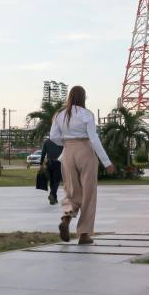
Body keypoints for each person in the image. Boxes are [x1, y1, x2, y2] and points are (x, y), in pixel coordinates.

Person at [50, 86, 115, 244]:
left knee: (72, 191)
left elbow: (53, 137)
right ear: (84, 97)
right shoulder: (87, 114)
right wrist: (107, 162)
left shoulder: (59, 115)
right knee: (88, 195)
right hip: (85, 151)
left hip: (67, 152)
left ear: (70, 97)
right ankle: (84, 234)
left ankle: (66, 219)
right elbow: (94, 139)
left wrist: (67, 143)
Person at [40, 138, 63, 204]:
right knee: (57, 180)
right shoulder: (61, 140)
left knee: (52, 180)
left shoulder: (46, 141)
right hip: (58, 162)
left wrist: (41, 164)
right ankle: (52, 194)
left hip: (49, 163)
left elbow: (43, 153)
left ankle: (54, 198)